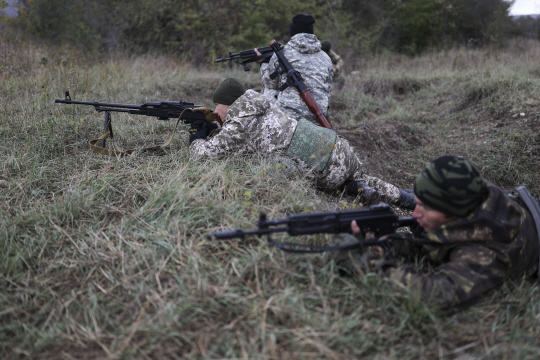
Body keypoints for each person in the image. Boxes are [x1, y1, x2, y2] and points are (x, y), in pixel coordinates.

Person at [333, 155, 540, 310]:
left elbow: (433, 295)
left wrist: (365, 264)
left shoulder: (487, 252)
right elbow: (442, 239)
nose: (415, 213)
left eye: (427, 208)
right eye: (418, 203)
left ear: (453, 213)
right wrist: (392, 243)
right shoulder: (472, 194)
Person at [188, 78, 415, 208]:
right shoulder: (262, 105)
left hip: (325, 167)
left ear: (229, 104)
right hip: (336, 144)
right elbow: (252, 135)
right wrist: (218, 128)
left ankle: (351, 188)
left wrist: (197, 138)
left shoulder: (239, 124)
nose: (215, 110)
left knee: (331, 181)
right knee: (360, 175)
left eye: (217, 106)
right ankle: (406, 199)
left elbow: (205, 155)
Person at [256, 14, 333, 126]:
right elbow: (328, 91)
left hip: (288, 119)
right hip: (318, 117)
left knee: (268, 89)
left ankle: (266, 126)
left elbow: (269, 82)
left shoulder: (282, 53)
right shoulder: (326, 57)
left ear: (292, 31)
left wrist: (263, 63)